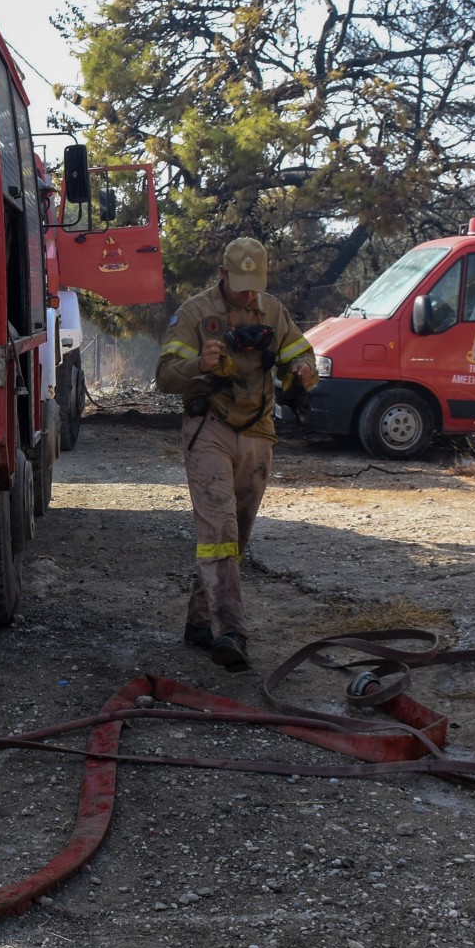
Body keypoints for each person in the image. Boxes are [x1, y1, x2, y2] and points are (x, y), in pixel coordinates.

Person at [154, 237, 316, 671]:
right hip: (209, 427)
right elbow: (165, 376)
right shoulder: (194, 314)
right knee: (219, 528)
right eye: (240, 284)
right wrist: (200, 367)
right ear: (222, 274)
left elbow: (299, 353)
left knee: (236, 534)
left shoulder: (272, 310)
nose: (248, 294)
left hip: (258, 429)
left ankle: (201, 621)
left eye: (254, 285)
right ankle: (231, 632)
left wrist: (302, 371)